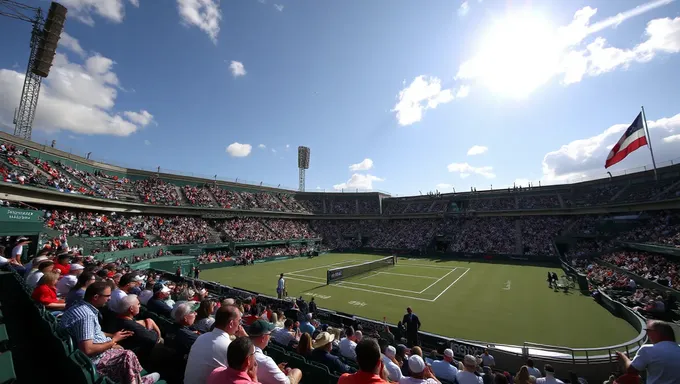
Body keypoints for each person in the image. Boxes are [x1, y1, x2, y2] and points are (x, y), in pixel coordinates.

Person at [58, 281, 160, 384]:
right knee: (128, 355)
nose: (110, 298)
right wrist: (113, 341)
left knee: (121, 349)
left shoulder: (79, 306)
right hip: (91, 360)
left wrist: (112, 336)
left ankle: (134, 380)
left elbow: (92, 332)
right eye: (107, 296)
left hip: (83, 352)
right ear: (96, 297)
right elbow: (87, 350)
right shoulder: (87, 316)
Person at [185, 305, 249, 384]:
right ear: (231, 323)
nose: (240, 325)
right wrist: (246, 339)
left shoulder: (201, 337)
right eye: (239, 321)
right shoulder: (230, 346)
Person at [616, 320, 680, 384]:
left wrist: (623, 357)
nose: (647, 334)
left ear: (656, 333)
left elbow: (632, 371)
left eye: (648, 331)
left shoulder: (648, 349)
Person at [250, 319, 303, 384]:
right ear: (263, 338)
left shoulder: (240, 349)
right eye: (270, 334)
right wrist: (295, 373)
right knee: (297, 371)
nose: (270, 336)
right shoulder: (265, 361)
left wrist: (275, 368)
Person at [114, 294, 162, 361]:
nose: (140, 306)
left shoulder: (118, 318)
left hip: (128, 346)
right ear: (131, 309)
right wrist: (151, 327)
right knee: (161, 342)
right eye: (138, 304)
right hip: (134, 355)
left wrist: (145, 322)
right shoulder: (131, 325)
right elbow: (153, 338)